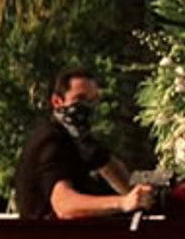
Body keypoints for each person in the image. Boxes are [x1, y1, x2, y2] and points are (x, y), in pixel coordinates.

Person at [15, 68, 153, 219]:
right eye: (80, 99)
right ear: (57, 101)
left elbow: (123, 182)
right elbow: (64, 205)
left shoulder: (80, 138)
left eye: (93, 101)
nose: (88, 107)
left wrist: (148, 186)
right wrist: (122, 202)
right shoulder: (50, 140)